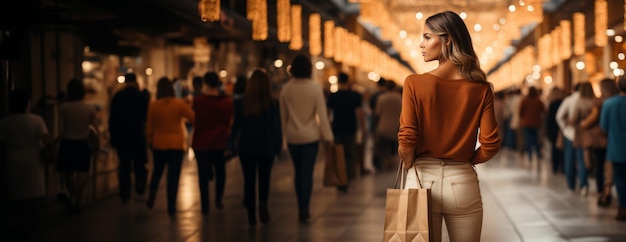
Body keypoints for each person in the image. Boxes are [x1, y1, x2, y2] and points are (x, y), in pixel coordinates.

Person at [397, 11, 501, 242]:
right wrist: (466, 161)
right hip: (462, 181)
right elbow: (491, 145)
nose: (421, 44)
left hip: (421, 177)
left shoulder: (414, 83)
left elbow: (406, 140)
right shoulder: (480, 88)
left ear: (448, 40)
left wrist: (410, 162)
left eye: (427, 37)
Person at [279, 54, 334, 223]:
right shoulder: (315, 88)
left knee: (298, 172)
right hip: (311, 137)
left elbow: (283, 117)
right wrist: (328, 137)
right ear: (309, 69)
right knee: (307, 173)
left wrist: (282, 141)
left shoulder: (286, 89)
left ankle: (300, 205)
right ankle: (305, 208)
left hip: (293, 137)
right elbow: (322, 116)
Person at [226, 69, 282, 225]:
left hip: (247, 145)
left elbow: (235, 127)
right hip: (266, 145)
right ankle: (263, 203)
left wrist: (230, 145)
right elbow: (276, 127)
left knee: (249, 180)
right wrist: (278, 146)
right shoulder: (272, 103)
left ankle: (251, 214)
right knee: (265, 179)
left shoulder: (240, 103)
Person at [0, 89, 54, 242]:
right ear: (27, 103)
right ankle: (34, 231)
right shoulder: (36, 120)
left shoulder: (5, 122)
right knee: (34, 198)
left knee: (17, 198)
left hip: (13, 162)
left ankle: (18, 230)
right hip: (33, 161)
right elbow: (47, 141)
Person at [145, 77, 195, 216]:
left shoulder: (153, 105)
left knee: (157, 172)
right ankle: (171, 206)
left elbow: (149, 128)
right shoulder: (179, 104)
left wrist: (150, 142)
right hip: (176, 144)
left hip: (159, 143)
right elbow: (193, 118)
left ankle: (152, 193)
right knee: (173, 176)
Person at [191, 71, 233, 214]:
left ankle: (205, 204)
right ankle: (218, 198)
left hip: (201, 141)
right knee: (221, 171)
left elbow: (193, 118)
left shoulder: (198, 101)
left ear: (205, 83)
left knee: (202, 175)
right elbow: (229, 121)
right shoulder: (227, 102)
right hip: (220, 141)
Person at [56, 78, 98, 213]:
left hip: (67, 141)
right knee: (82, 172)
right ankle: (78, 199)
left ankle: (72, 195)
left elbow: (62, 128)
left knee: (68, 172)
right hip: (83, 142)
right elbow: (93, 127)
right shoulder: (89, 108)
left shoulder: (64, 107)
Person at [108, 73, 150, 204]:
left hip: (122, 136)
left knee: (124, 165)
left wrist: (113, 137)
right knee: (139, 162)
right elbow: (147, 116)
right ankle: (139, 184)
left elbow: (112, 119)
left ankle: (124, 193)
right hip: (138, 135)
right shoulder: (141, 96)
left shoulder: (118, 96)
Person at [580, 78, 619, 207]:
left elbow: (598, 121)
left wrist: (583, 124)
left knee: (601, 165)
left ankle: (602, 190)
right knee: (613, 167)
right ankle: (609, 189)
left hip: (602, 138)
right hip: (616, 137)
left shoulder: (602, 102)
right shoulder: (619, 99)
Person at [326, 72, 366, 192]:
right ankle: (347, 178)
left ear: (338, 81)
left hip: (337, 129)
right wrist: (363, 128)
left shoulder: (332, 96)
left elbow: (328, 115)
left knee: (339, 155)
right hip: (351, 128)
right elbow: (359, 113)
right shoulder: (355, 95)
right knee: (350, 155)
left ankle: (340, 179)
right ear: (348, 81)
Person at [600, 76, 626, 221]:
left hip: (617, 147)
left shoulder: (609, 104)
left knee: (620, 179)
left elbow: (603, 127)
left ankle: (623, 207)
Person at [570, 82, 595, 196]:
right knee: (594, 160)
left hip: (581, 134)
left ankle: (583, 185)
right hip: (594, 135)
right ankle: (599, 186)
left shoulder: (579, 102)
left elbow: (573, 118)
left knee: (581, 160)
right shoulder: (595, 102)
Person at [556, 83, 582, 193]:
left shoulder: (569, 100)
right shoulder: (586, 99)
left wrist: (565, 128)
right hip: (582, 134)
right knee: (582, 160)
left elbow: (559, 116)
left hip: (570, 134)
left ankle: (571, 184)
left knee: (570, 159)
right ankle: (583, 184)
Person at [373, 80, 402, 171]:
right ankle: (391, 165)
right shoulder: (399, 98)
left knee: (383, 148)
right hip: (395, 127)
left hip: (383, 126)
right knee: (393, 148)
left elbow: (377, 113)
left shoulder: (382, 98)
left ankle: (384, 165)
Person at [518, 86, 545, 165]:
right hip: (536, 123)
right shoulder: (538, 101)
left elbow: (520, 112)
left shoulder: (524, 101)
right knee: (536, 139)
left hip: (526, 123)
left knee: (528, 139)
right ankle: (538, 154)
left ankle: (529, 155)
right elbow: (544, 111)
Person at [545, 87, 565, 174]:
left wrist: (548, 129)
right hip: (562, 128)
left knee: (554, 148)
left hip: (554, 128)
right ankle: (562, 166)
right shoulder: (563, 102)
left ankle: (555, 167)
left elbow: (549, 118)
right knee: (562, 148)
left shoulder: (552, 104)